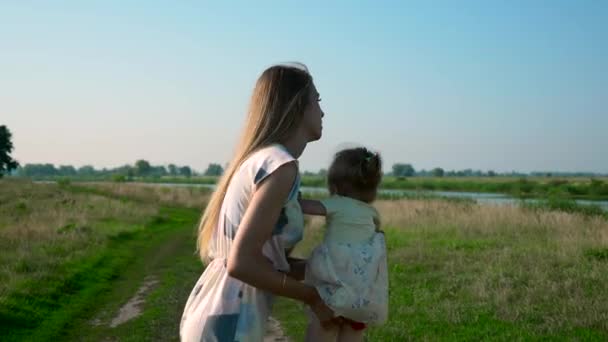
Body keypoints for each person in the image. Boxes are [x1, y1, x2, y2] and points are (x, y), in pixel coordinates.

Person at [180, 63, 338, 342]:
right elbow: (242, 263)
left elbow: (267, 264)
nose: (323, 111)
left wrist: (331, 269)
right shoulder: (280, 166)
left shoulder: (263, 161)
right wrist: (312, 297)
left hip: (219, 311)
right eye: (317, 100)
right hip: (228, 322)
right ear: (297, 105)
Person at [299, 147, 389, 342]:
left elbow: (309, 207)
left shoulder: (337, 203)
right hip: (360, 296)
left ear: (336, 185)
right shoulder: (372, 213)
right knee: (353, 334)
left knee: (321, 331)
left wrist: (291, 199)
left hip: (334, 292)